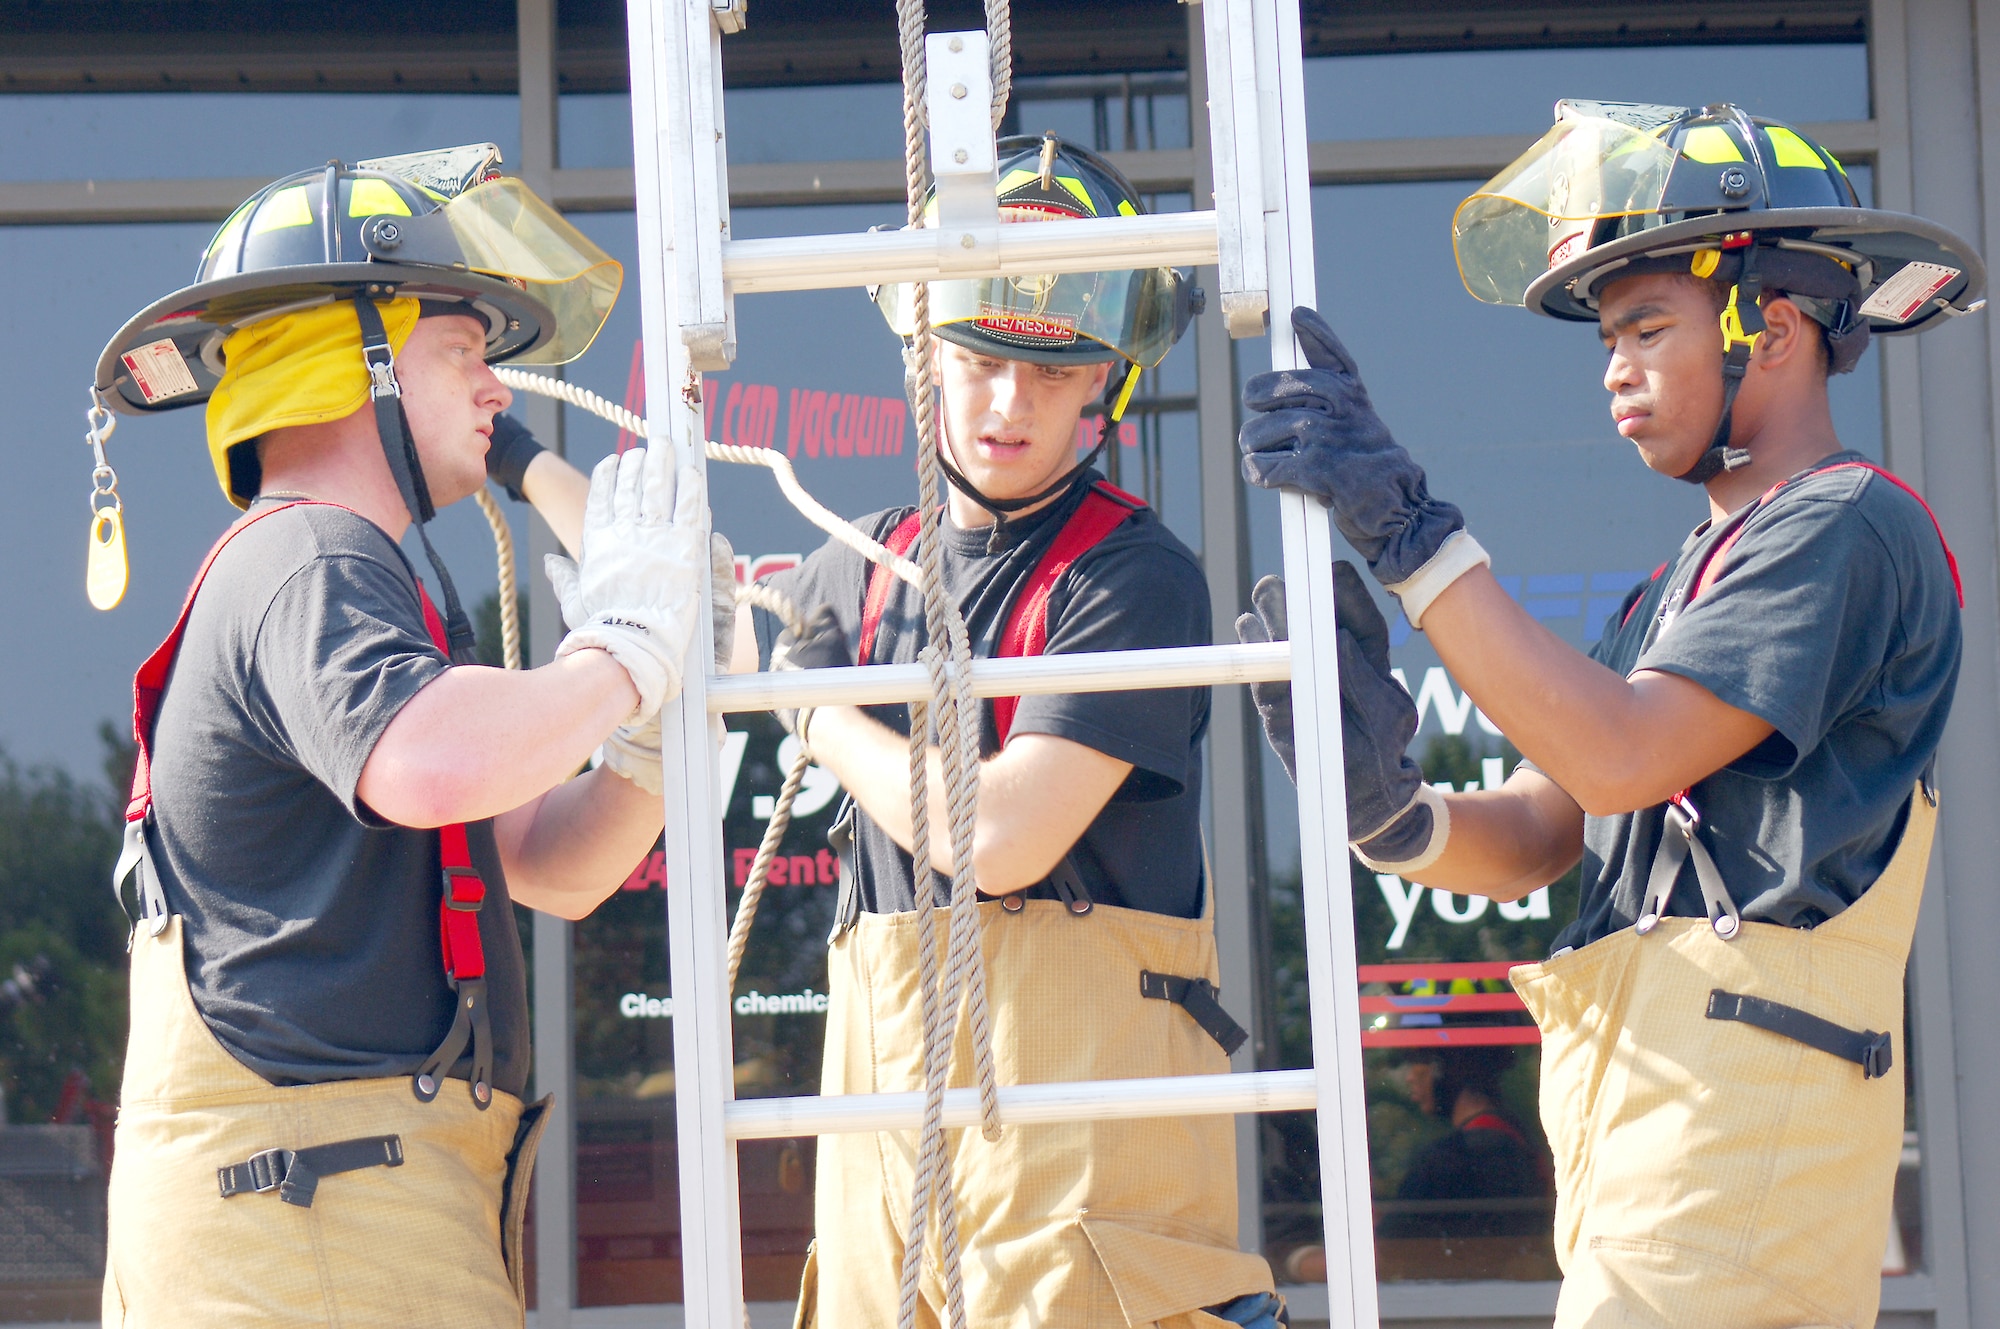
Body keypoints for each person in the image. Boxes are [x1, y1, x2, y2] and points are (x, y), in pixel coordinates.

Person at [1234, 102, 1978, 1326]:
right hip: (1662, 1143)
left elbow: (1620, 754)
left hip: (1735, 1158)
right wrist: (1391, 815)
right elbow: (1545, 821)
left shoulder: (1845, 523)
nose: (1613, 371)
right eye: (1604, 342)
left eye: (1644, 327)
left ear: (1771, 327)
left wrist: (1411, 537)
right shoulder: (1677, 582)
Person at [90, 148, 717, 1327]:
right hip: (309, 1217)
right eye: (465, 355)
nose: (497, 394)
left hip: (350, 1201)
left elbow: (549, 863)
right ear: (350, 361)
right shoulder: (309, 556)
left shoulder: (379, 579)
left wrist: (654, 728)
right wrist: (622, 648)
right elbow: (432, 765)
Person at [741, 136, 1282, 1328]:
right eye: (978, 358)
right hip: (883, 1139)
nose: (1006, 403)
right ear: (922, 352)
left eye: (1050, 372)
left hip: (1077, 1157)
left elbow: (996, 838)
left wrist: (816, 713)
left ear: (1106, 384)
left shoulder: (1133, 577)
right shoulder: (851, 571)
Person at [1376, 1047, 1547, 1241]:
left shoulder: (1448, 1158)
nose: (1410, 1077)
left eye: (1421, 1060)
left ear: (1446, 1068)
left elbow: (1393, 1241)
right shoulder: (1522, 1139)